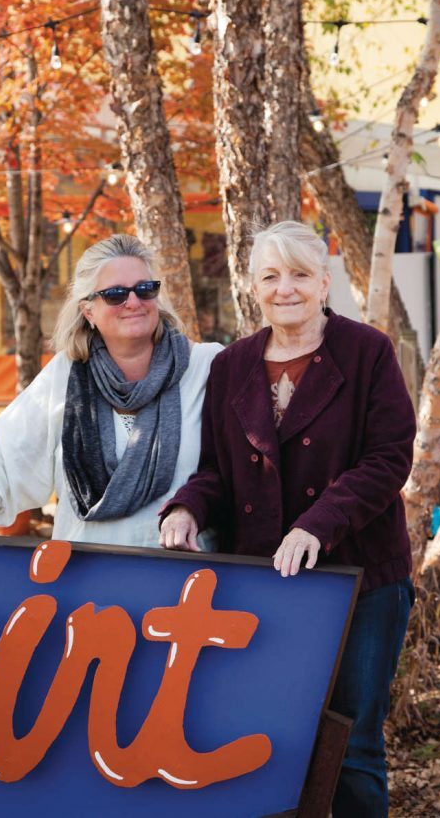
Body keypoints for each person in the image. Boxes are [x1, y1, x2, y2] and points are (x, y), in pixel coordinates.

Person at [159, 220, 416, 818]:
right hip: (264, 584)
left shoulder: (368, 351)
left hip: (360, 580)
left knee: (353, 746)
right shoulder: (233, 365)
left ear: (324, 282)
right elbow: (217, 470)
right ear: (253, 287)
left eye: (300, 274)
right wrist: (187, 507)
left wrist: (317, 523)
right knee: (268, 739)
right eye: (271, 276)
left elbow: (388, 459)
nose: (286, 289)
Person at [0, 234, 222, 549]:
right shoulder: (65, 376)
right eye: (115, 294)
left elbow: (237, 471)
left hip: (184, 588)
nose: (133, 302)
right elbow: (2, 466)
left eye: (145, 289)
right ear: (88, 311)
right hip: (87, 586)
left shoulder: (205, 368)